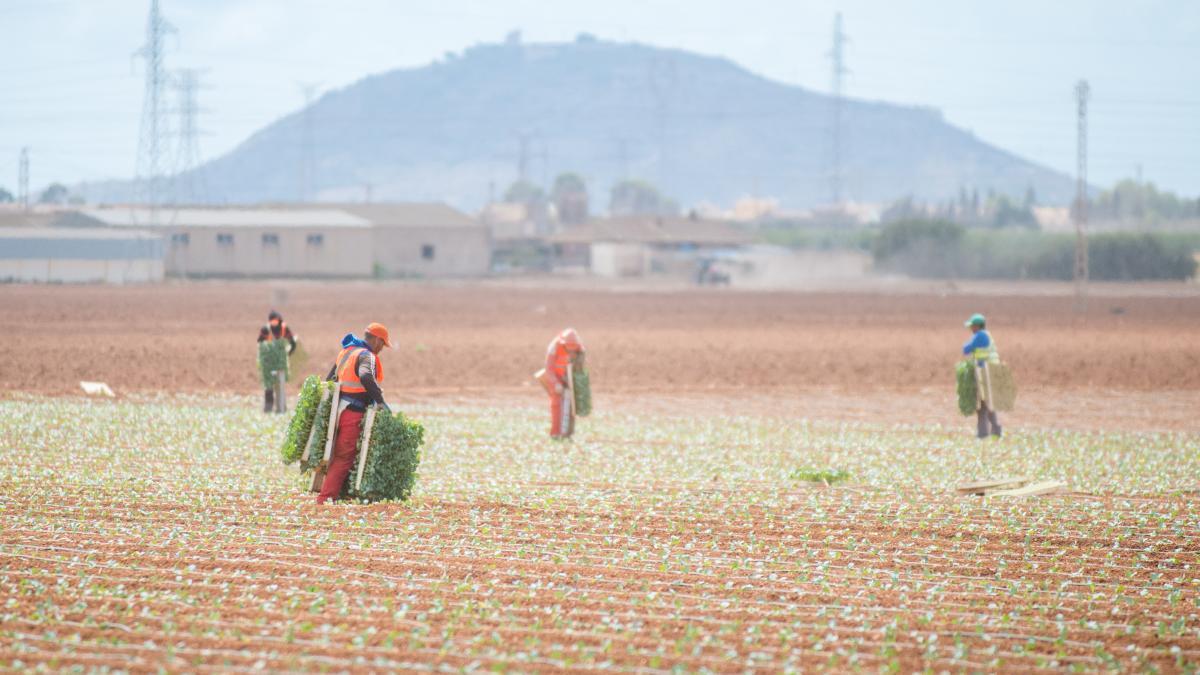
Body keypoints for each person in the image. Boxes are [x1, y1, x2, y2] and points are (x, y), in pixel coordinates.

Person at [317, 322, 393, 504]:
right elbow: (366, 376)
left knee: (338, 454)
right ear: (376, 340)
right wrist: (380, 402)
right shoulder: (367, 356)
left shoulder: (347, 352)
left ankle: (339, 495)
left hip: (338, 410)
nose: (381, 349)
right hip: (352, 412)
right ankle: (325, 498)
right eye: (382, 344)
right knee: (344, 456)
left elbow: (329, 379)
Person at [962, 313, 1002, 439]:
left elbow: (966, 349)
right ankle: (988, 432)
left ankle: (987, 432)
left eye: (972, 326)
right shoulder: (986, 335)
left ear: (977, 326)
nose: (971, 329)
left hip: (985, 372)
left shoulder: (980, 336)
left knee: (984, 403)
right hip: (988, 371)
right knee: (985, 404)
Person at [543, 328, 585, 439]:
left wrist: (574, 382)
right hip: (556, 377)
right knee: (556, 404)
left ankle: (568, 433)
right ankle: (555, 433)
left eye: (573, 349)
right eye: (568, 348)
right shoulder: (554, 347)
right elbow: (549, 369)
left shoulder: (580, 350)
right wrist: (556, 383)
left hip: (569, 378)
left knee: (572, 406)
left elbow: (581, 368)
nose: (571, 351)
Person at [257, 310, 297, 412]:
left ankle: (281, 408)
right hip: (268, 363)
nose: (274, 323)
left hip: (281, 364)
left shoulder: (284, 328)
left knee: (281, 385)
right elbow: (260, 343)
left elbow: (292, 342)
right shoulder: (265, 329)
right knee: (269, 385)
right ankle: (268, 408)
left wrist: (287, 354)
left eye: (275, 320)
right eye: (272, 321)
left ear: (278, 320)